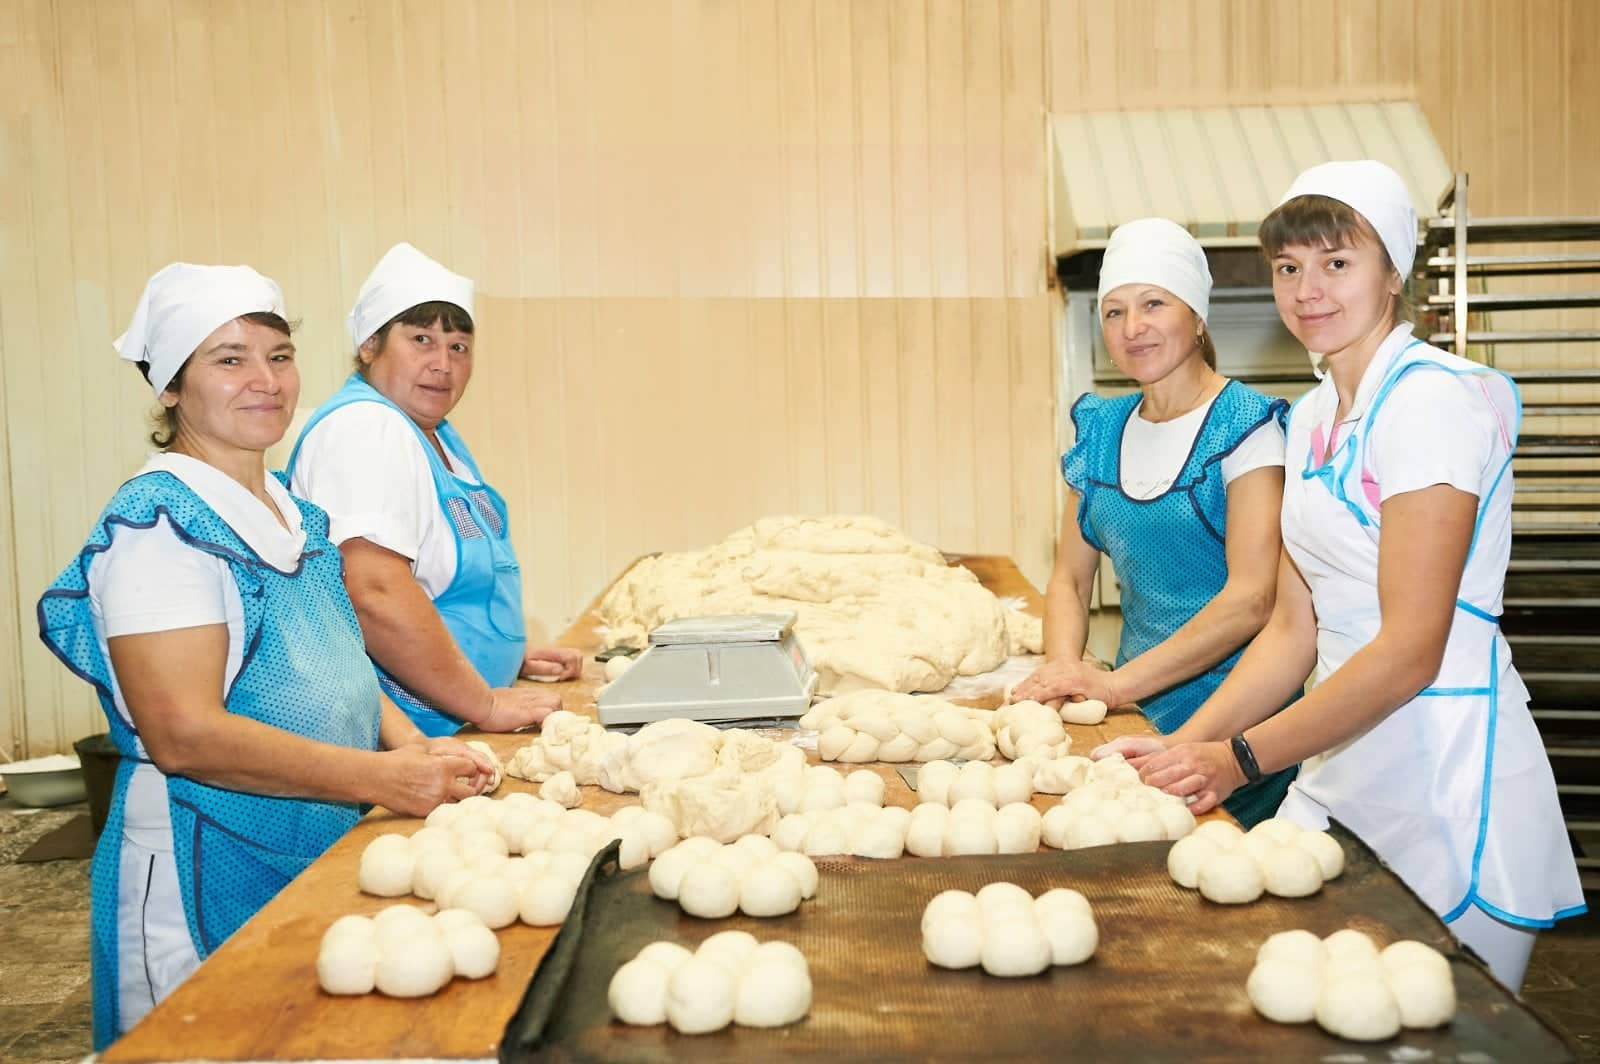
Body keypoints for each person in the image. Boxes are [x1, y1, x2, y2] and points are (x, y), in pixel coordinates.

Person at [1103, 161, 1586, 989]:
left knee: (1441, 1027)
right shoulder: (1320, 411)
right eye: (1289, 269)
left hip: (1442, 773)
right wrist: (1185, 749)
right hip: (1341, 771)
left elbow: (1409, 652)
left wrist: (1241, 758)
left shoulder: (1430, 405)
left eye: (1337, 263)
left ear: (1393, 272)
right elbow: (1295, 628)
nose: (1307, 291)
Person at [37, 264, 493, 1047]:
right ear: (171, 389)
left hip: (309, 842)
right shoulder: (157, 528)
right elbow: (184, 735)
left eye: (278, 356)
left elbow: (339, 660)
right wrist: (383, 779)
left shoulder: (292, 509)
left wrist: (416, 748)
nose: (265, 381)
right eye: (229, 359)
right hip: (200, 862)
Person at [1011, 218, 1295, 826]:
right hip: (1133, 716)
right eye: (1113, 312)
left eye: (1153, 304)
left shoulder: (1246, 426)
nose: (1132, 327)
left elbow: (1253, 599)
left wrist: (1114, 686)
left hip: (1236, 725)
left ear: (1196, 318)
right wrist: (1066, 677)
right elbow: (1068, 578)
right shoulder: (1101, 429)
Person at [288, 244, 579, 737]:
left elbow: (436, 580)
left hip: (453, 713)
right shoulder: (367, 427)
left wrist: (502, 655)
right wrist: (484, 701)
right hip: (414, 734)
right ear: (369, 345)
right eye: (421, 339)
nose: (443, 364)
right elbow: (374, 592)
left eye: (458, 346)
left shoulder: (434, 433)